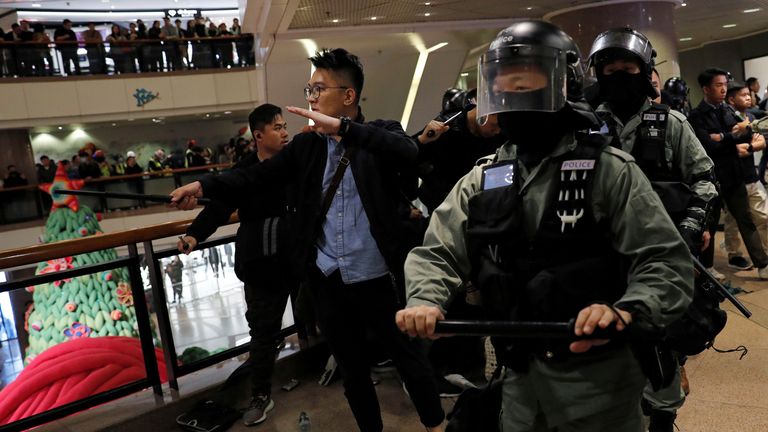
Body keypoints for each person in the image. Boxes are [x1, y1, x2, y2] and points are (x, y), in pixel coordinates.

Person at [395, 20, 693, 432]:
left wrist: (626, 310)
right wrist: (424, 299)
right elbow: (438, 250)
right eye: (504, 82)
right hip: (519, 380)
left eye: (528, 81)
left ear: (562, 84)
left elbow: (665, 262)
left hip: (598, 386)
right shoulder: (484, 176)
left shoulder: (610, 171)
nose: (514, 94)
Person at [170, 48, 445, 432]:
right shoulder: (306, 147)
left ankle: (435, 425)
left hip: (379, 276)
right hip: (328, 278)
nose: (311, 97)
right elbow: (252, 177)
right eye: (309, 89)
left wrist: (344, 130)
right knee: (352, 370)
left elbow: (409, 151)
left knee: (409, 359)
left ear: (348, 96)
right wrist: (203, 185)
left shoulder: (382, 132)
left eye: (319, 89)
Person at [588, 27, 717, 431]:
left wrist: (687, 232)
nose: (620, 75)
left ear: (645, 72)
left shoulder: (672, 123)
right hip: (602, 256)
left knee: (660, 340)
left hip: (663, 255)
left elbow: (704, 182)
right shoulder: (586, 127)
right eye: (610, 69)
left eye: (629, 68)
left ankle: (663, 413)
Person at [178, 104, 294, 426]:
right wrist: (194, 235)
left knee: (326, 312)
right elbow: (218, 208)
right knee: (262, 332)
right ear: (259, 135)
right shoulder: (243, 172)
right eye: (277, 127)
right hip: (260, 263)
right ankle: (260, 395)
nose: (285, 132)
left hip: (300, 256)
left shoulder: (295, 162)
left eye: (285, 126)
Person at [688, 68, 768, 279]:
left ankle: (763, 264)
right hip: (711, 177)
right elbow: (705, 145)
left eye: (725, 84)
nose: (724, 88)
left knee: (746, 219)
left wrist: (722, 137)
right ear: (706, 89)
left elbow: (747, 134)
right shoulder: (697, 115)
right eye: (718, 85)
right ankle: (707, 267)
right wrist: (731, 135)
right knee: (710, 225)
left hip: (734, 174)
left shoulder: (727, 110)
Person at [414, 88, 505, 214]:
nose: (498, 131)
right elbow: (411, 155)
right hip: (443, 205)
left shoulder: (500, 133)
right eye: (495, 125)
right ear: (486, 112)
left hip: (481, 203)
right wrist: (422, 141)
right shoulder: (444, 128)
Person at [724, 81, 768, 269]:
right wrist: (750, 144)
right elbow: (733, 149)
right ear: (731, 99)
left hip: (752, 176)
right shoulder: (725, 119)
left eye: (748, 94)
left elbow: (761, 142)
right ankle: (734, 254)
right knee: (733, 220)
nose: (748, 97)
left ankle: (764, 254)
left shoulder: (750, 116)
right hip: (733, 179)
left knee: (764, 217)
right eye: (743, 95)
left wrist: (749, 146)